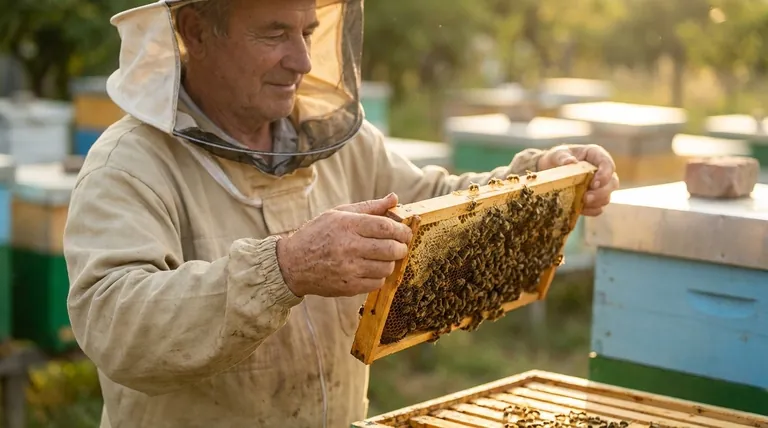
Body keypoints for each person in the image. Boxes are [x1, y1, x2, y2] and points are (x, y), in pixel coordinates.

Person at [63, 0, 620, 427]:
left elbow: (437, 202)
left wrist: (543, 174)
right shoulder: (130, 165)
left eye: (306, 31)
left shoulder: (334, 139)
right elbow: (116, 324)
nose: (302, 60)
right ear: (196, 32)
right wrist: (283, 267)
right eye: (275, 33)